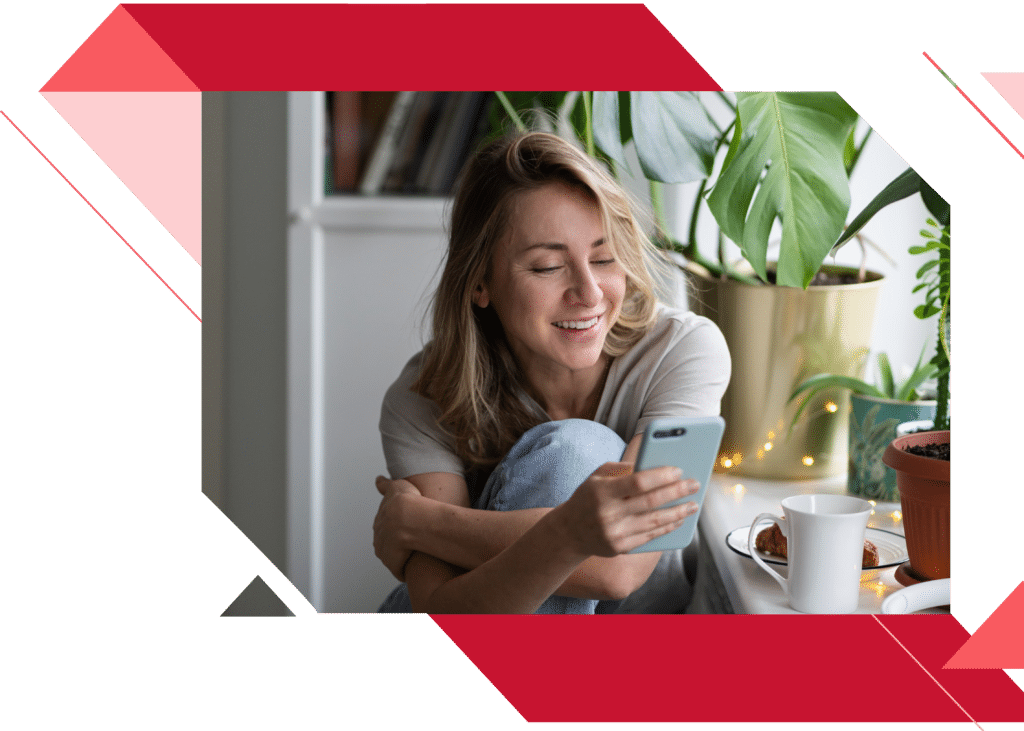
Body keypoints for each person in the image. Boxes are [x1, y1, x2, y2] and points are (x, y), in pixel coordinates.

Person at [373, 131, 730, 614]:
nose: (589, 292)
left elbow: (620, 570)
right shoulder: (424, 394)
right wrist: (573, 530)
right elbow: (441, 608)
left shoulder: (684, 350)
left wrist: (424, 524)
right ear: (480, 282)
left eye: (605, 259)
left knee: (577, 449)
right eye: (547, 267)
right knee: (575, 451)